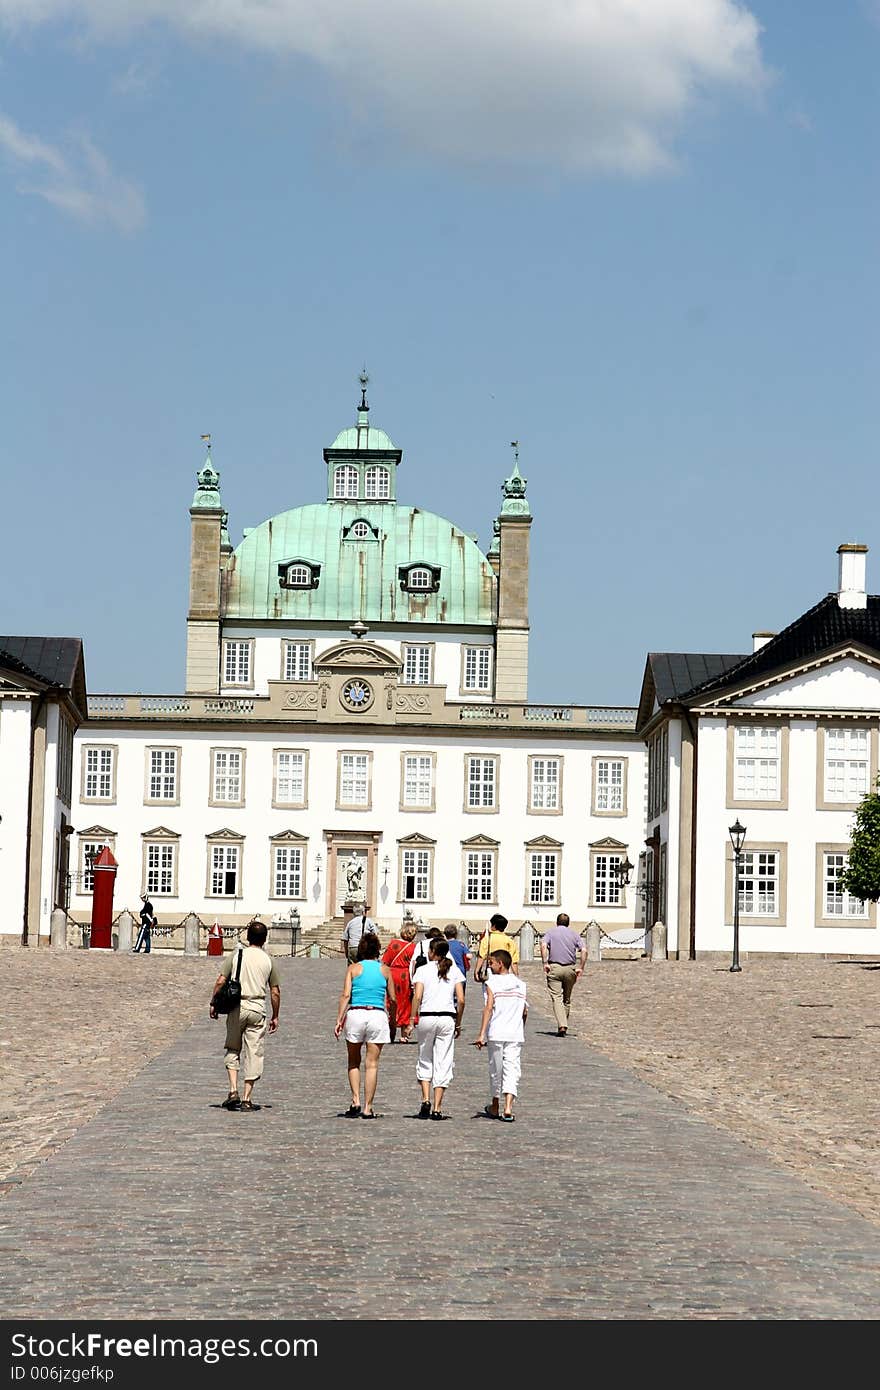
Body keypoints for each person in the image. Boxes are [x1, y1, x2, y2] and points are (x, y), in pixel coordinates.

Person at [209, 919, 280, 1112]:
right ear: (264, 939)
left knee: (233, 1047)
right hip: (257, 1007)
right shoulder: (268, 960)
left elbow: (220, 981)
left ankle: (233, 1091)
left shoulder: (236, 955)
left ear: (247, 937)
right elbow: (275, 991)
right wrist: (275, 1015)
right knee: (254, 1052)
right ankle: (247, 1098)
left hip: (236, 1007)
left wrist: (214, 1003)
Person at [334, 932, 395, 1119]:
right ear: (378, 950)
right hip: (377, 1015)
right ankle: (368, 1107)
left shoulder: (353, 968)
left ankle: (355, 1100)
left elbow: (346, 995)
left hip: (356, 1014)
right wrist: (393, 1020)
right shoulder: (385, 970)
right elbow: (392, 998)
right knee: (372, 1064)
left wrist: (339, 1019)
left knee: (353, 1061)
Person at [403, 937, 465, 1120]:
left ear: (431, 952)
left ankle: (425, 1098)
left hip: (427, 1017)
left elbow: (417, 996)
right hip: (447, 1018)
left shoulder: (422, 970)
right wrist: (458, 1022)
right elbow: (461, 1000)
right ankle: (437, 1107)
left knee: (425, 1057)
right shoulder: (454, 970)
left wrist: (412, 1019)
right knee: (443, 1061)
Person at [472, 949, 528, 1121]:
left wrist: (482, 1034)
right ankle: (509, 1106)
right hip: (515, 1033)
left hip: (496, 1031)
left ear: (500, 964)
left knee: (496, 1069)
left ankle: (495, 1104)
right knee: (512, 1069)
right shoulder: (521, 984)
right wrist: (520, 1027)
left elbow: (488, 1008)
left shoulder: (493, 983)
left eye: (492, 963)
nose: (490, 966)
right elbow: (524, 1011)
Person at [540, 911, 588, 1036]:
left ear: (557, 922)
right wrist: (581, 967)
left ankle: (562, 1024)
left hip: (555, 967)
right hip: (570, 969)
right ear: (568, 923)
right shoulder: (574, 934)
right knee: (566, 999)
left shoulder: (551, 932)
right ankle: (563, 1025)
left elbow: (543, 945)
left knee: (557, 998)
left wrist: (545, 962)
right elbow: (584, 950)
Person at [381, 922, 418, 1041]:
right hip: (405, 976)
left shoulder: (393, 944)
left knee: (392, 1002)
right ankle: (403, 1034)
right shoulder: (414, 947)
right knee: (406, 1004)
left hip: (392, 975)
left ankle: (391, 1028)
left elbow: (385, 961)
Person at [473, 913, 520, 981]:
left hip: (491, 970)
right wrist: (516, 975)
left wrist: (476, 971)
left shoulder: (487, 939)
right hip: (504, 972)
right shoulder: (509, 941)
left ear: (494, 926)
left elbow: (481, 956)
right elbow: (513, 961)